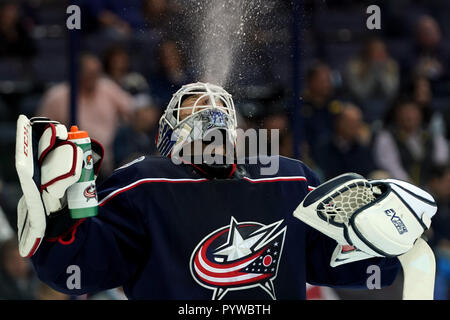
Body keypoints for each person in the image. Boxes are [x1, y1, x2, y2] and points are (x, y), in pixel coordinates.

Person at [16, 82, 435, 300]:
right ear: (166, 136)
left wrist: (382, 242)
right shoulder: (141, 183)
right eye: (193, 106)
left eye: (216, 106)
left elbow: (336, 263)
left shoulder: (289, 177)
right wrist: (61, 217)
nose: (208, 111)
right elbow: (78, 272)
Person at [37, 53, 133, 177]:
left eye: (97, 73)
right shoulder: (57, 96)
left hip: (108, 164)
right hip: (70, 167)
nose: (94, 77)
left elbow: (132, 110)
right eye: (89, 73)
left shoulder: (107, 87)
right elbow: (41, 131)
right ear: (77, 73)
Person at [373, 98, 448, 186]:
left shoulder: (431, 135)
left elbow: (442, 161)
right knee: (379, 175)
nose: (410, 116)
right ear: (397, 114)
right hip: (401, 188)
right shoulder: (387, 136)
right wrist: (411, 187)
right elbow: (392, 168)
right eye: (405, 112)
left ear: (420, 113)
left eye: (413, 111)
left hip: (430, 186)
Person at [316, 103, 376, 180]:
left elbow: (369, 171)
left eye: (357, 122)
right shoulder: (325, 146)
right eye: (350, 122)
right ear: (339, 122)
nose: (355, 126)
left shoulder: (362, 148)